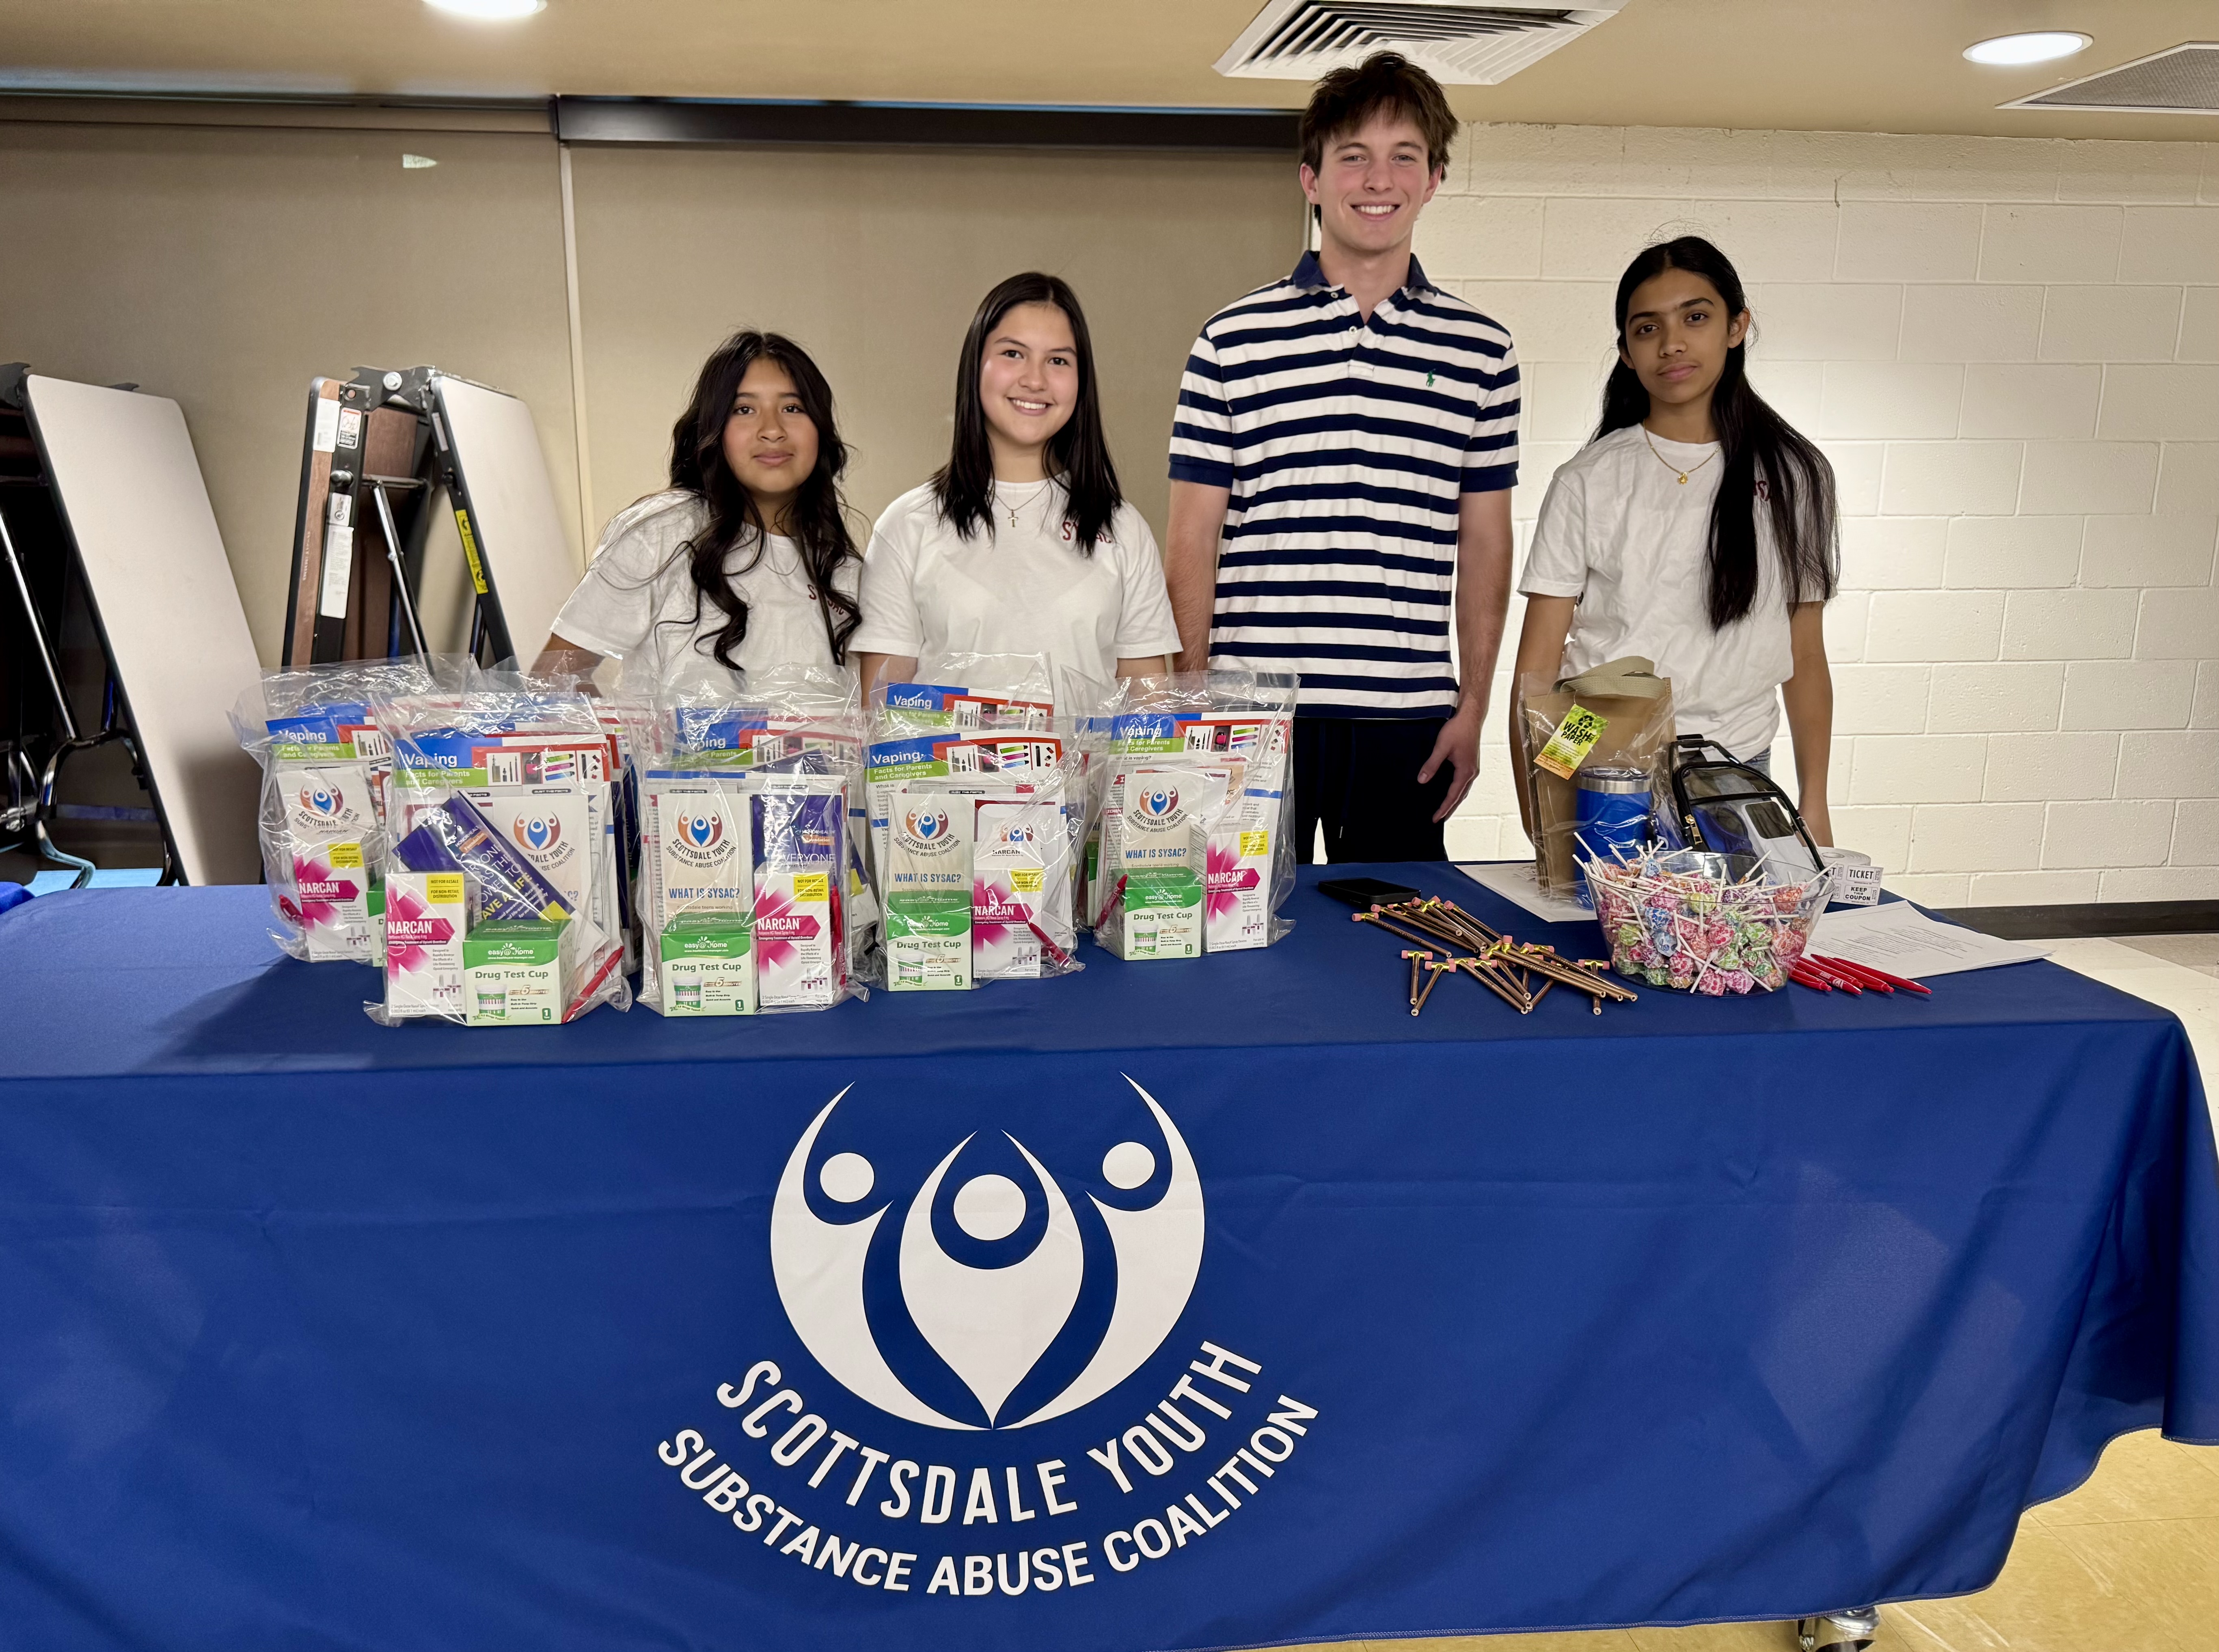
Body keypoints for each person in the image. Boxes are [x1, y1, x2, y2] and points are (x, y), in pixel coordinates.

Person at [1163, 51, 1520, 865]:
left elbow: (1486, 544)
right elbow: (1190, 538)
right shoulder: (1230, 340)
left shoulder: (1483, 352)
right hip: (1252, 715)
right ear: (1311, 180)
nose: (1378, 179)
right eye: (1353, 156)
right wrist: (1191, 701)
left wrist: (1472, 704)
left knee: (1399, 932)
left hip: (1408, 716)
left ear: (1434, 179)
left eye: (1404, 156)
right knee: (1242, 928)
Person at [1509, 235, 1838, 846]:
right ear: (1626, 352)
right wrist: (1541, 804)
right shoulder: (1587, 478)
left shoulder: (1795, 474)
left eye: (1695, 317)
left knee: (1730, 913)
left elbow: (1806, 654)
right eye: (1647, 328)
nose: (1672, 344)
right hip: (1598, 753)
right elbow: (1539, 666)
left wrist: (1813, 800)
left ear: (1736, 326)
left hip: (1735, 765)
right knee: (1592, 912)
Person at [850, 272, 1179, 697]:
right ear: (976, 365)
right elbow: (882, 712)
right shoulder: (907, 524)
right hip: (946, 748)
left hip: (1086, 748)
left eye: (1058, 361)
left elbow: (1147, 708)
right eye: (1013, 354)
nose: (1035, 380)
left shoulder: (1123, 527)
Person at [535, 330, 863, 688]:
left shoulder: (844, 568)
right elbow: (552, 680)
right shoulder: (662, 533)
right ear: (714, 429)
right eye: (744, 410)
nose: (772, 431)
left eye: (792, 408)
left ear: (821, 430)